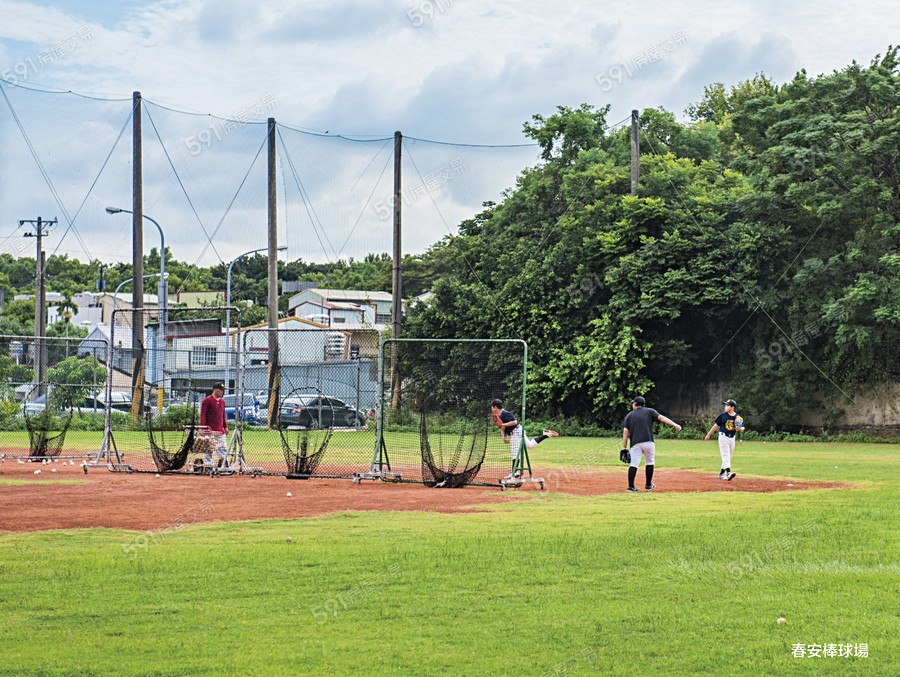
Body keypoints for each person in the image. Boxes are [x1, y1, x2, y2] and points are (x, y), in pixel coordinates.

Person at [622, 395, 682, 492]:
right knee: (650, 462)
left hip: (635, 444)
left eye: (633, 403)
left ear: (635, 404)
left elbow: (625, 432)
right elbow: (662, 418)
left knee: (634, 464)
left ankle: (631, 486)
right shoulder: (650, 411)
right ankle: (648, 485)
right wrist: (675, 424)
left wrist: (624, 448)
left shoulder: (629, 415)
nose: (632, 404)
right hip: (648, 442)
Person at [490, 398, 558, 478]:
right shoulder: (498, 416)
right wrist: (504, 438)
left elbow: (514, 422)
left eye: (492, 406)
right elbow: (502, 428)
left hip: (516, 431)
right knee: (530, 445)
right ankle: (545, 435)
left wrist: (503, 425)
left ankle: (514, 472)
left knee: (515, 452)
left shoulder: (505, 413)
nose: (491, 408)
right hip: (516, 432)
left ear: (495, 407)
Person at [704, 398, 745, 481]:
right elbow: (716, 425)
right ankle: (729, 472)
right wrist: (708, 434)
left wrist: (739, 428)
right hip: (723, 437)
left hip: (732, 438)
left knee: (729, 457)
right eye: (725, 405)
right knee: (725, 455)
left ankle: (722, 473)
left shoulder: (737, 417)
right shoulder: (723, 415)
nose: (725, 407)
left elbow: (742, 427)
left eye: (727, 405)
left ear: (732, 407)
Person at [199, 382, 228, 468]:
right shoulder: (207, 401)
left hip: (220, 430)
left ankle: (223, 464)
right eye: (220, 390)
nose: (222, 392)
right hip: (209, 430)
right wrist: (202, 427)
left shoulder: (222, 402)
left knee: (222, 447)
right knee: (209, 449)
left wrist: (225, 426)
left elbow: (223, 415)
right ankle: (208, 465)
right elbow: (203, 414)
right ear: (215, 390)